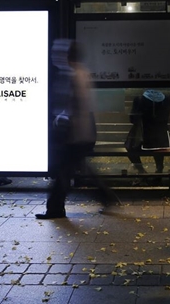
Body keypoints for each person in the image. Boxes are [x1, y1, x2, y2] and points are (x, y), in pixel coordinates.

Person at [36, 40, 120, 219]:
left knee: (64, 172)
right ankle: (105, 196)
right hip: (78, 133)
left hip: (74, 135)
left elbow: (75, 105)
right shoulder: (78, 72)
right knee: (72, 170)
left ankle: (56, 208)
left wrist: (63, 122)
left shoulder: (74, 74)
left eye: (56, 53)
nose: (53, 56)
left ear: (66, 55)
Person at [126, 89, 170, 177]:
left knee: (130, 147)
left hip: (143, 132)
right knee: (158, 149)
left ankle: (141, 171)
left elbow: (132, 118)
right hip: (160, 134)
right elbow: (166, 116)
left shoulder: (139, 98)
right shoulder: (166, 97)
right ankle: (159, 169)